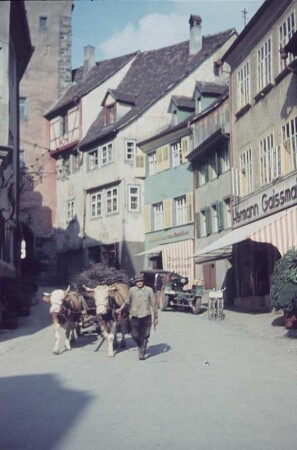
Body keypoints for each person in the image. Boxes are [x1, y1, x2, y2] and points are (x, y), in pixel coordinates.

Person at [117, 273, 158, 360]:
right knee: (134, 335)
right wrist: (121, 309)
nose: (139, 283)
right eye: (137, 281)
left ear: (143, 281)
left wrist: (156, 317)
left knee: (145, 334)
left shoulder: (149, 290)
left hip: (146, 316)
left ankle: (141, 351)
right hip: (135, 316)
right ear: (135, 282)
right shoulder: (132, 290)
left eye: (141, 281)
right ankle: (141, 344)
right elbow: (127, 301)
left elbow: (153, 304)